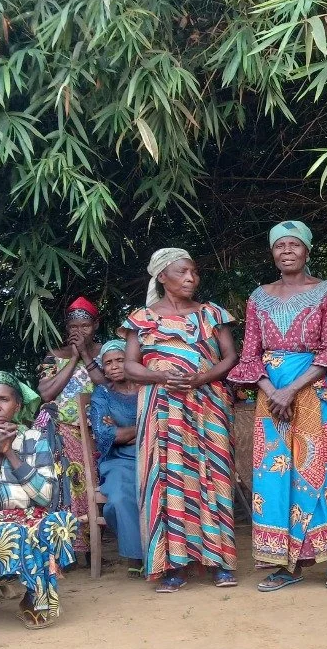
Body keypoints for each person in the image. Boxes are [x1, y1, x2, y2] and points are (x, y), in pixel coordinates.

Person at [229, 222, 327, 591]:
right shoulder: (258, 297)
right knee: (276, 475)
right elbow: (250, 355)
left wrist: (291, 390)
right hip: (271, 397)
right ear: (272, 253)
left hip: (316, 392)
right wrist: (272, 391)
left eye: (294, 244)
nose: (287, 250)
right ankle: (285, 564)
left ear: (306, 250)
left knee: (325, 468)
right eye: (279, 245)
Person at [122, 249, 240, 592]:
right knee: (169, 479)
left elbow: (230, 357)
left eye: (194, 272)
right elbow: (130, 365)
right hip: (161, 409)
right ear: (162, 277)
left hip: (207, 404)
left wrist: (200, 379)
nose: (191, 278)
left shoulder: (211, 313)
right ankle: (173, 565)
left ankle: (219, 561)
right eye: (182, 272)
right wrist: (161, 378)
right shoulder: (142, 318)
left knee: (212, 475)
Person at [0, 372, 77, 629]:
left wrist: (9, 453)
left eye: (3, 399)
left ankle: (35, 598)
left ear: (17, 405)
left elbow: (44, 496)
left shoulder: (33, 440)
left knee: (55, 524)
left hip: (27, 518)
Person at [35, 296, 107, 556]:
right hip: (62, 431)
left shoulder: (108, 353)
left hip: (98, 430)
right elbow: (47, 394)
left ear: (95, 325)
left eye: (84, 326)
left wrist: (86, 356)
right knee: (64, 471)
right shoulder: (53, 356)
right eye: (73, 327)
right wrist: (73, 359)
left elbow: (110, 387)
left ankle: (89, 545)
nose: (79, 332)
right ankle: (70, 545)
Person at [87, 339, 144, 576]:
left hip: (151, 452)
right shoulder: (102, 394)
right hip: (117, 459)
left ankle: (166, 552)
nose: (114, 366)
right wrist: (141, 428)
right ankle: (137, 555)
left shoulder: (146, 388)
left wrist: (125, 431)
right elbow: (103, 434)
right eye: (107, 363)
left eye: (120, 360)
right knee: (118, 498)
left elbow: (160, 421)